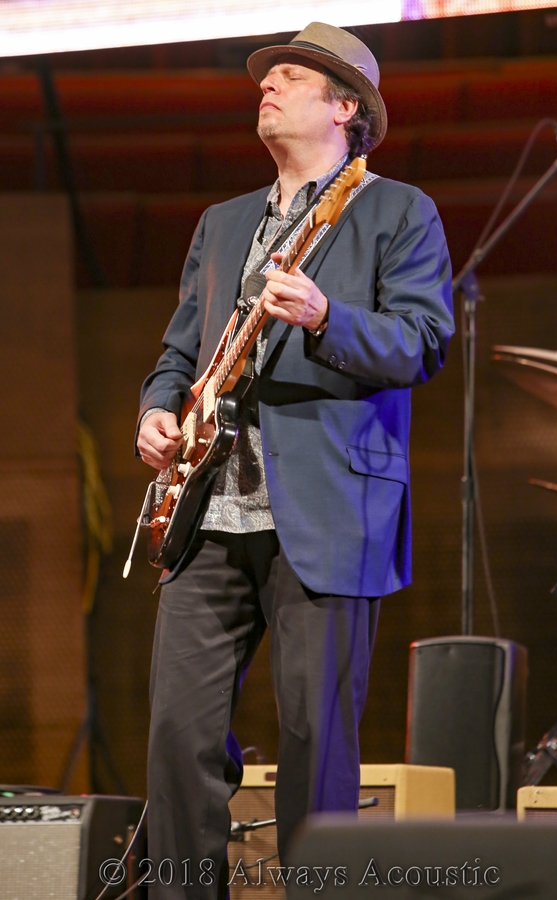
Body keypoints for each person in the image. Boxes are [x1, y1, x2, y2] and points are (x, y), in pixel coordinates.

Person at [136, 21, 454, 899]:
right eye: (265, 77)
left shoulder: (398, 210)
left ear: (345, 107)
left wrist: (324, 316)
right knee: (177, 739)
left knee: (317, 747)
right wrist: (156, 411)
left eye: (288, 77)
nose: (265, 87)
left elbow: (423, 342)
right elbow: (177, 354)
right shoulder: (222, 222)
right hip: (209, 514)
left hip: (329, 514)